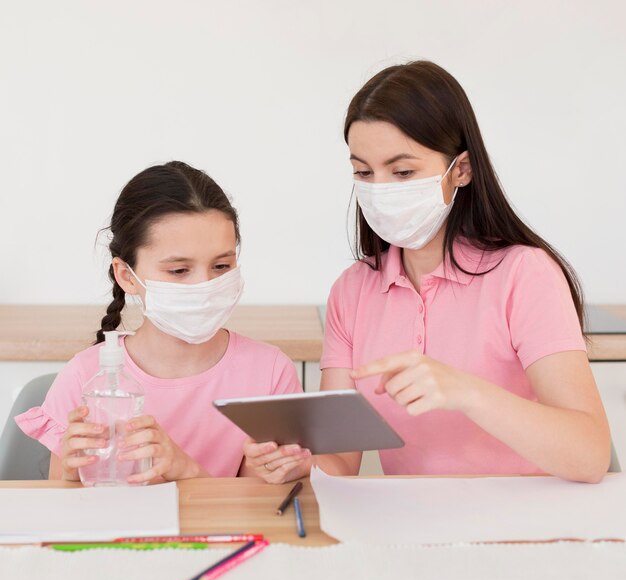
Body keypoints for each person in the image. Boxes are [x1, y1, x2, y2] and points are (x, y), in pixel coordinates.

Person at [244, 60, 610, 484]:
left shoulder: (524, 274)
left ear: (461, 170)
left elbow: (589, 455)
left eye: (402, 172)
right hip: (418, 530)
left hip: (523, 526)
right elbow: (341, 463)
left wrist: (466, 392)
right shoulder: (353, 292)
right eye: (364, 172)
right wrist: (295, 463)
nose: (379, 190)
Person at [15, 161, 305, 482]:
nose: (204, 286)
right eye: (179, 270)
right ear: (126, 275)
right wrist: (73, 471)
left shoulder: (269, 375)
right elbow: (61, 505)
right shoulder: (84, 377)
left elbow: (263, 510)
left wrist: (186, 471)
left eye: (221, 266)